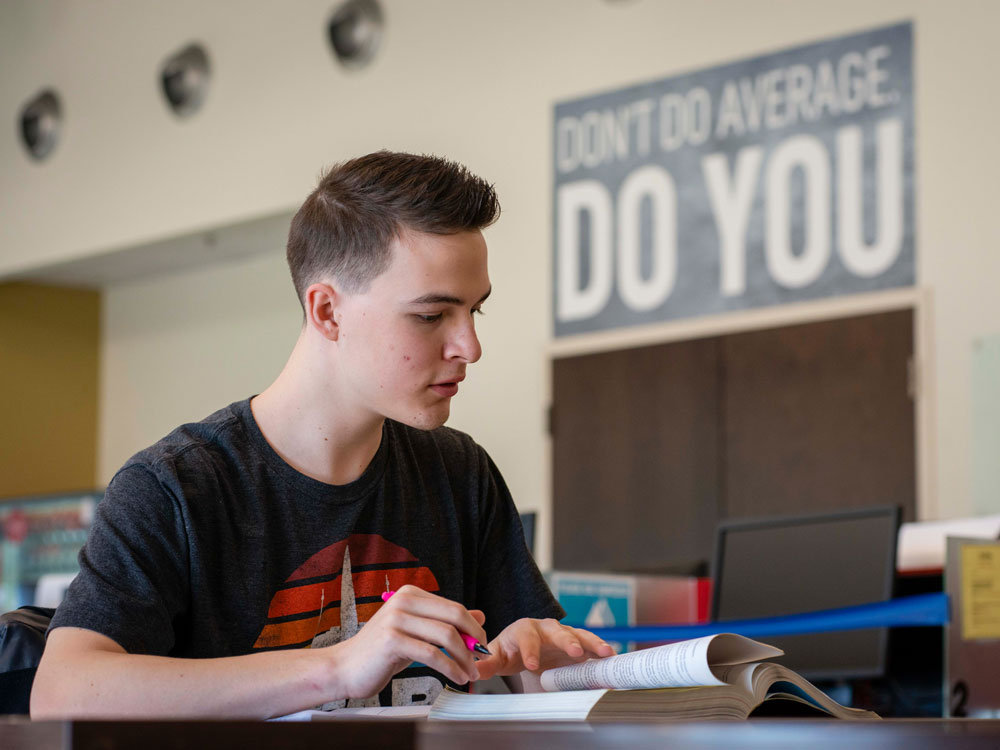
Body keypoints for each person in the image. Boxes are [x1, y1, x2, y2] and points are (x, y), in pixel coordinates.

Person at [30, 151, 614, 719]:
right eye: (432, 315)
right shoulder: (175, 487)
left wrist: (537, 659)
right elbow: (65, 693)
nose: (470, 347)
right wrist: (337, 667)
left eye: (474, 312)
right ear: (328, 312)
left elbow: (520, 676)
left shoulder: (460, 473)